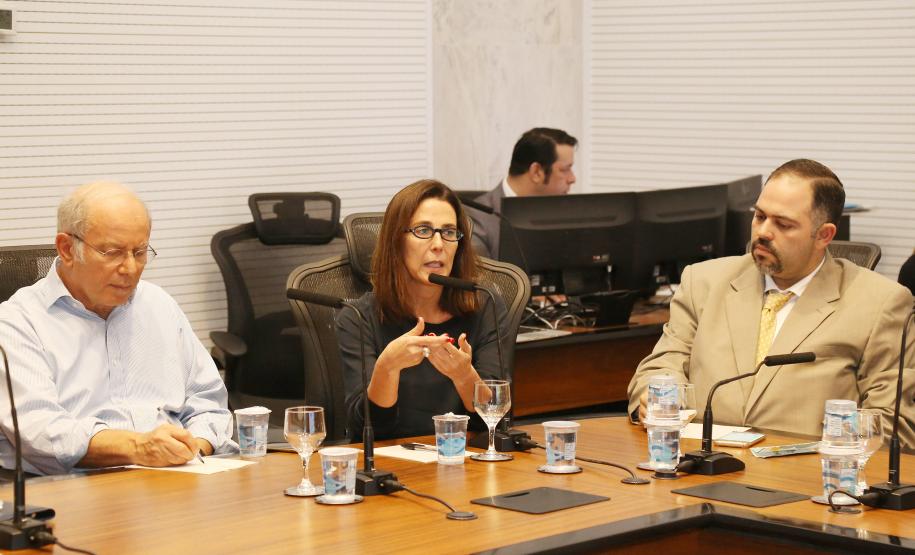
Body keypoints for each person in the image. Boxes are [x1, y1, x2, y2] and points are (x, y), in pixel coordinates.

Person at [627, 159, 915, 446]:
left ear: (824, 235)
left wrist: (834, 443)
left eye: (783, 224)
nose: (763, 232)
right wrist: (658, 396)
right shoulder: (704, 281)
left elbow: (894, 421)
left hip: (806, 475)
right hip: (698, 463)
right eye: (759, 216)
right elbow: (661, 365)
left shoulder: (880, 303)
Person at [0, 182, 234, 475]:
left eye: (139, 252)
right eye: (112, 252)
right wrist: (139, 449)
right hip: (77, 493)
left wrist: (192, 448)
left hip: (179, 479)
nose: (130, 268)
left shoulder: (159, 305)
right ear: (67, 248)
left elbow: (208, 402)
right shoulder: (18, 323)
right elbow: (38, 429)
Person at [337, 179, 506, 440]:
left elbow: (495, 422)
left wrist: (464, 376)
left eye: (449, 232)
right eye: (423, 231)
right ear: (397, 241)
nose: (438, 244)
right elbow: (364, 432)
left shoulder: (485, 305)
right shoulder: (358, 318)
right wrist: (387, 368)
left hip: (463, 461)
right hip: (392, 466)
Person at [469, 127, 578, 259]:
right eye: (565, 169)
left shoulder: (564, 215)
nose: (572, 179)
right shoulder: (476, 219)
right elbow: (480, 277)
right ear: (536, 172)